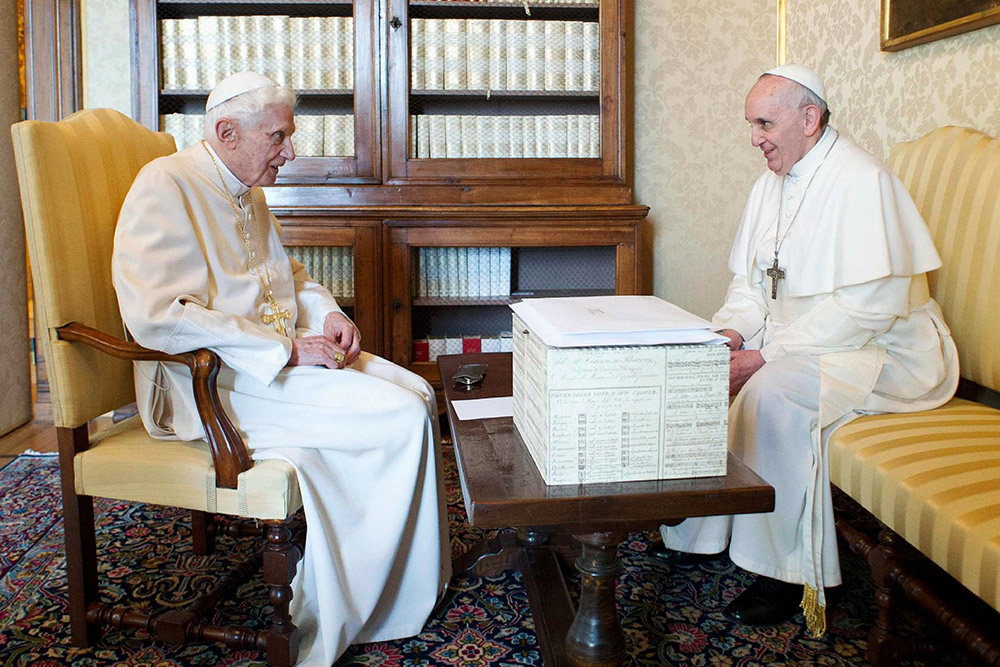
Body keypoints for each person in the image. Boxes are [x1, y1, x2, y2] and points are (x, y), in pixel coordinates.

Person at [111, 71, 451, 666]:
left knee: (419, 392)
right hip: (210, 384)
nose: (290, 153)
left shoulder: (246, 185)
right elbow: (156, 316)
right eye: (277, 138)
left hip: (270, 361)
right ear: (226, 132)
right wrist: (287, 351)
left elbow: (286, 277)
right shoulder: (163, 185)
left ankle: (409, 583)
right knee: (396, 416)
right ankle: (358, 606)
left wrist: (327, 314)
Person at [649, 65, 958, 636]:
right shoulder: (771, 183)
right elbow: (750, 286)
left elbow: (866, 309)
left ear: (808, 119)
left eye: (764, 122)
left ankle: (786, 572)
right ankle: (705, 530)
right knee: (702, 362)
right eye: (752, 123)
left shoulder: (862, 181)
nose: (754, 137)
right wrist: (733, 335)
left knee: (773, 388)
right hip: (810, 339)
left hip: (884, 349)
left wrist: (767, 355)